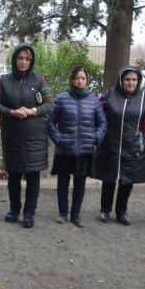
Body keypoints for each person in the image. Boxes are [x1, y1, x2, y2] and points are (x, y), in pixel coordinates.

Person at [0, 43, 54, 228]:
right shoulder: (4, 80)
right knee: (14, 176)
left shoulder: (39, 80)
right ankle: (14, 209)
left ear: (31, 61)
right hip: (13, 136)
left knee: (33, 175)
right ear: (14, 59)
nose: (24, 62)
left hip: (35, 137)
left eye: (27, 59)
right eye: (20, 58)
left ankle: (29, 212)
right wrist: (11, 112)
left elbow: (50, 104)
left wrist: (33, 110)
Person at [93, 66, 145, 225]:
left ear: (138, 81)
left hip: (133, 146)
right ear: (121, 80)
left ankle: (121, 212)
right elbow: (96, 116)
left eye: (134, 80)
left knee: (127, 180)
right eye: (127, 79)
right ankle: (105, 210)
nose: (130, 83)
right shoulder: (109, 95)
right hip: (111, 145)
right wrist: (100, 136)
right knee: (109, 179)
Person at [48, 65, 107, 227]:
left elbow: (102, 123)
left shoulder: (94, 101)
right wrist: (58, 139)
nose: (80, 81)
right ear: (71, 80)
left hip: (85, 150)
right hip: (65, 149)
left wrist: (96, 138)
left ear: (87, 80)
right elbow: (50, 121)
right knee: (63, 182)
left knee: (80, 183)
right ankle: (62, 213)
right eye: (77, 78)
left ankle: (76, 214)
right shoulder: (61, 99)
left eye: (83, 78)